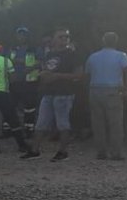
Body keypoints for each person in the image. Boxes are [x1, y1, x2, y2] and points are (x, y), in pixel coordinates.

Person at [22, 28, 84, 162]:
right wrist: (43, 75)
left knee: (63, 123)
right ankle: (34, 150)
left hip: (64, 92)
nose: (64, 39)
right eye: (61, 37)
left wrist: (57, 76)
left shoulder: (73, 54)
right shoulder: (49, 54)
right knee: (41, 123)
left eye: (66, 37)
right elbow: (46, 70)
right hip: (48, 92)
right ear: (54, 39)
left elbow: (79, 75)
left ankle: (63, 151)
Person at [85, 32, 127, 160]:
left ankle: (101, 151)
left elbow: (87, 73)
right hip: (113, 90)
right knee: (115, 123)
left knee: (97, 123)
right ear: (116, 41)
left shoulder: (93, 56)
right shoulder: (121, 55)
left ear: (103, 41)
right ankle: (116, 152)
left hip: (95, 89)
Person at [9, 26, 43, 135]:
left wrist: (22, 63)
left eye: (23, 35)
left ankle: (29, 129)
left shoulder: (34, 48)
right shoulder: (12, 48)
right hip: (14, 81)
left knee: (30, 107)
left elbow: (40, 62)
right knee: (11, 106)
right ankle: (10, 130)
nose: (21, 37)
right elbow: (6, 61)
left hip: (30, 81)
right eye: (19, 34)